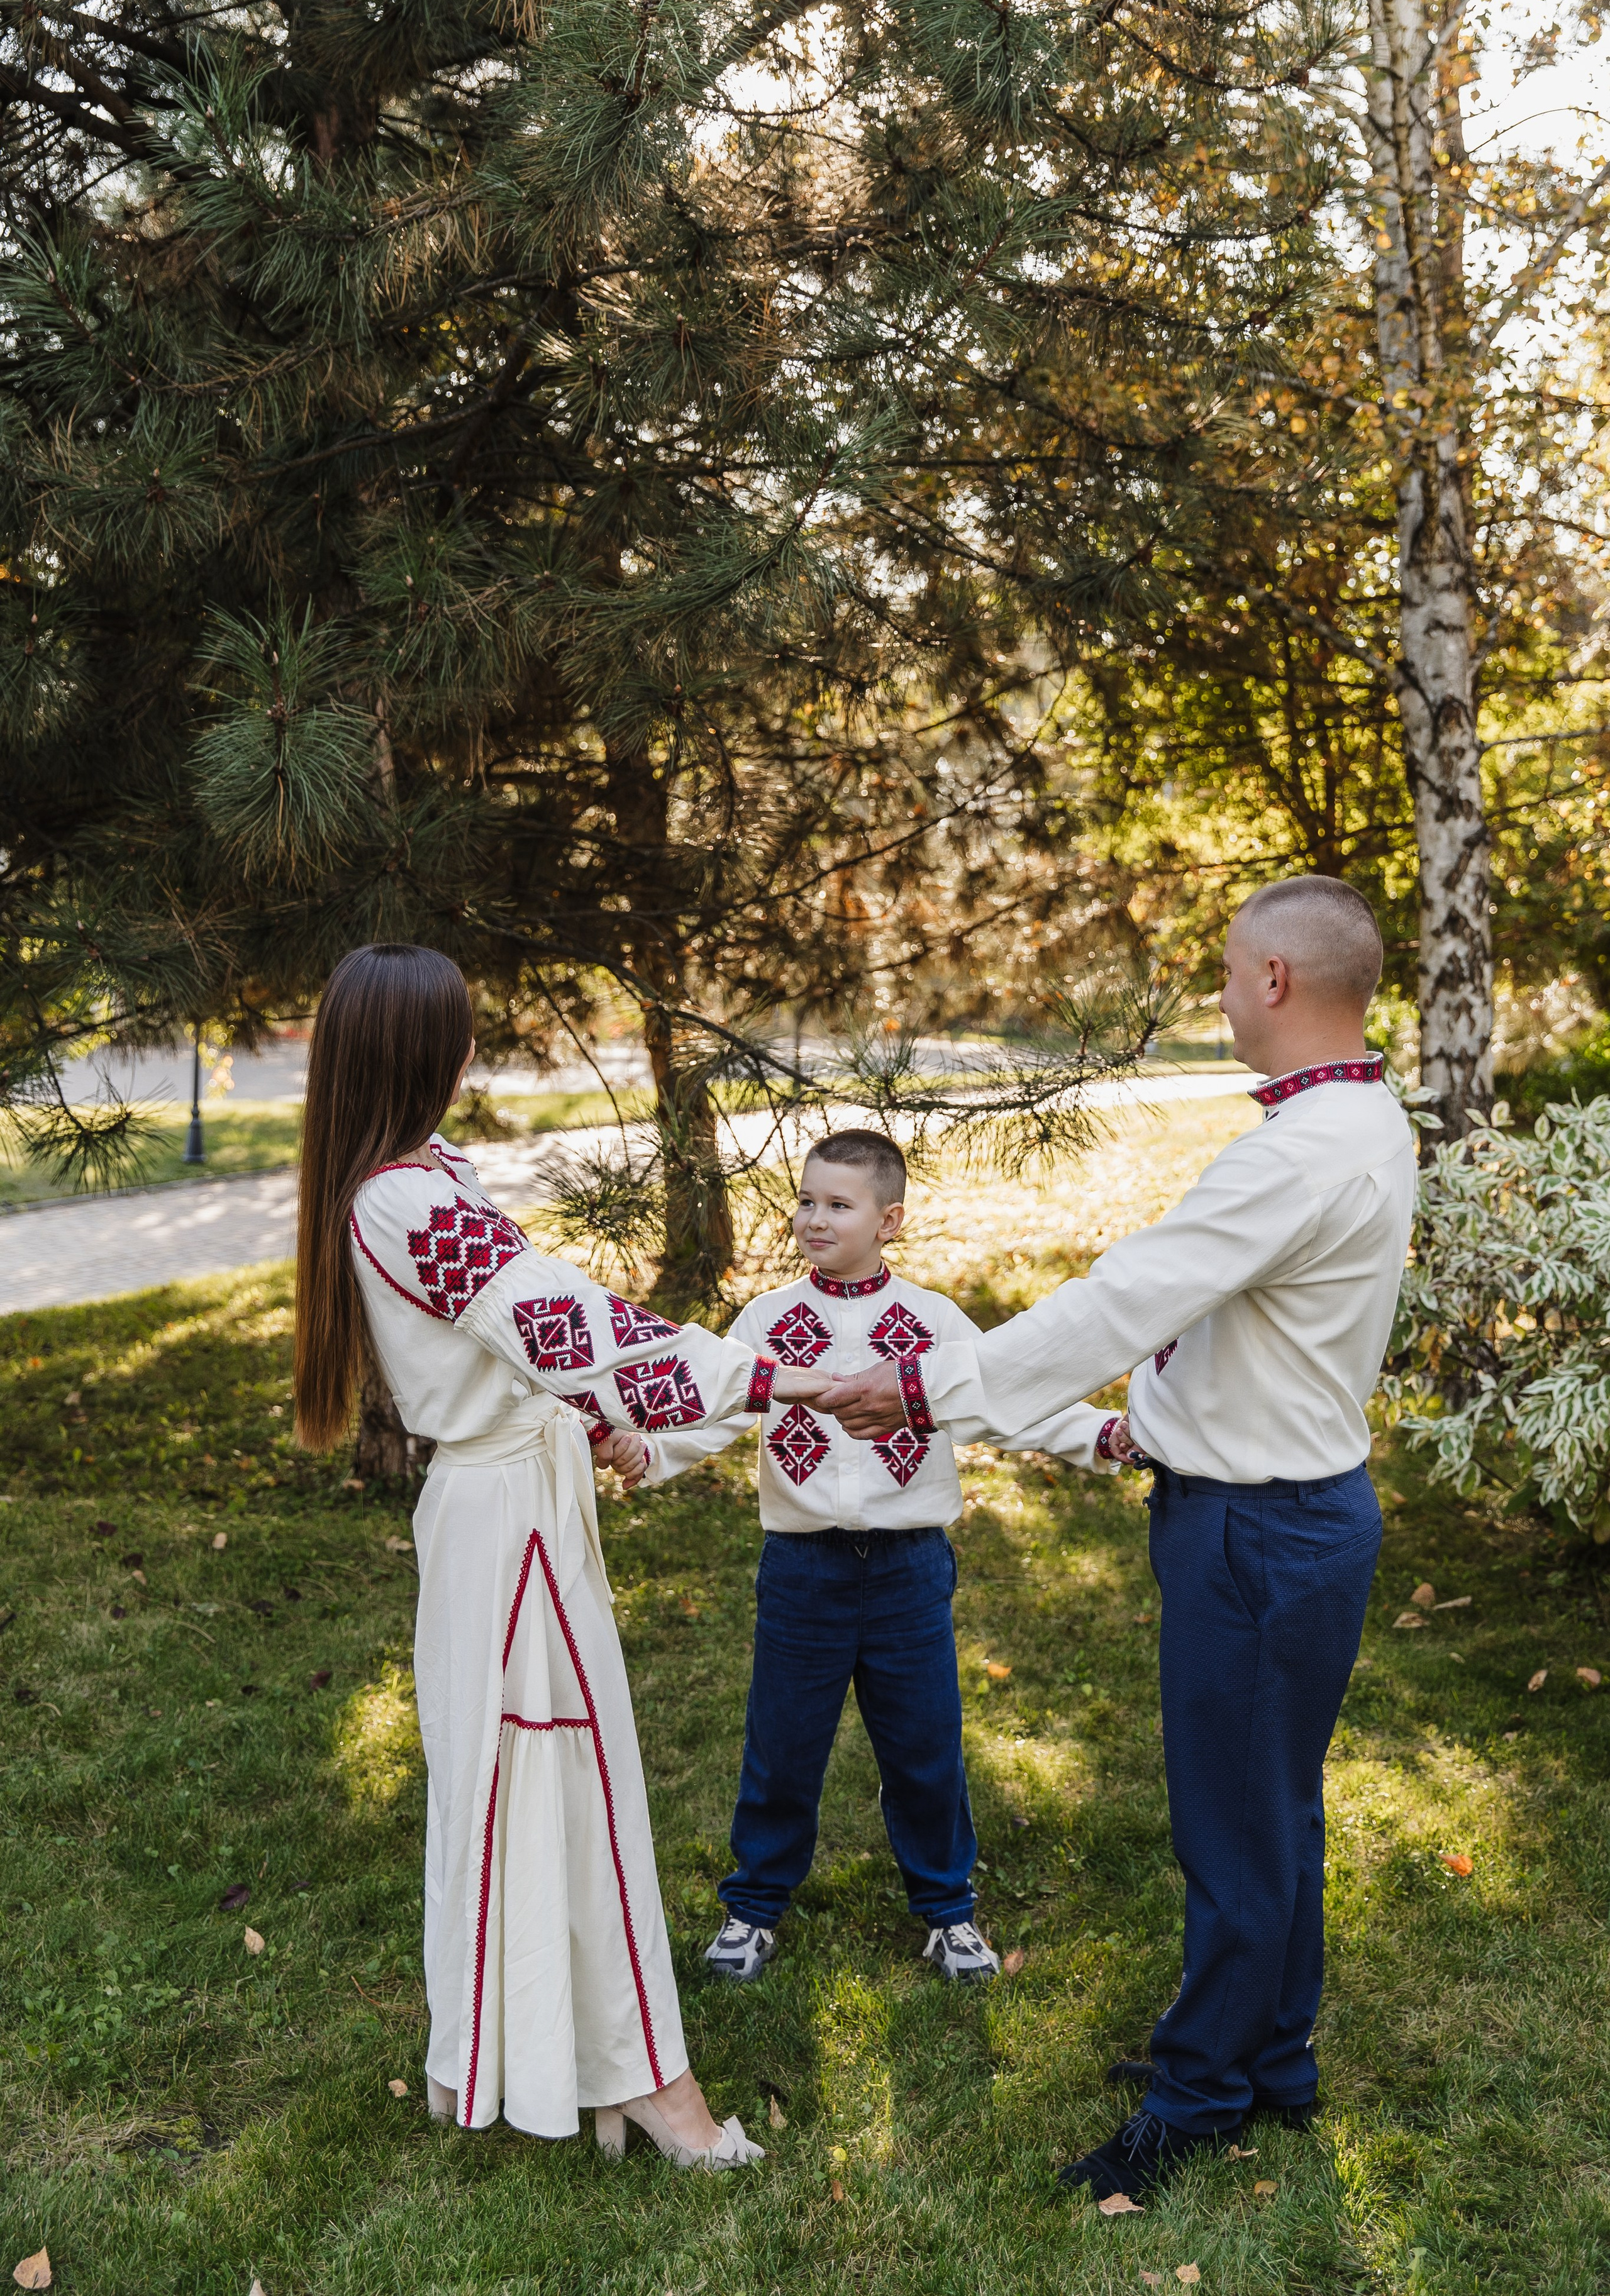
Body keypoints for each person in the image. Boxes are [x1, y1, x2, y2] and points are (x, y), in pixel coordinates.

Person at [809, 879, 1415, 2199]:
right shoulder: (1363, 1114)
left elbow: (1132, 1291)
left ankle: (1202, 2093)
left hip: (1253, 1533)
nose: (1215, 992)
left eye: (1222, 969)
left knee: (1232, 1826)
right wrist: (1147, 1413)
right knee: (1275, 1810)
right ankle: (1274, 2061)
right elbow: (1222, 1318)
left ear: (1270, 982)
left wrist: (925, 1385)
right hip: (1301, 1510)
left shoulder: (1302, 1146)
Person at [292, 943, 827, 2166]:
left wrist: (604, 1419)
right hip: (507, 1535)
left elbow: (523, 1348)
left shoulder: (420, 1179)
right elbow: (563, 1322)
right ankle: (649, 2086)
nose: (474, 1048)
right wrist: (780, 1377)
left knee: (526, 1785)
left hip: (510, 1510)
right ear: (426, 1055)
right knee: (562, 1788)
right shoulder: (405, 1200)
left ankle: (506, 2057)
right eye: (460, 1033)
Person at [609, 1128, 1129, 1988]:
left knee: (924, 1748)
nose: (815, 1218)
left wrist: (1100, 1437)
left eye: (838, 1205)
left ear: (890, 1220)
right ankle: (753, 1908)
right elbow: (715, 1411)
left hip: (908, 1570)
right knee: (782, 1747)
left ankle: (949, 1911)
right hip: (803, 1571)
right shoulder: (769, 1321)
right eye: (806, 1200)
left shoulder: (929, 1321)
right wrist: (650, 1451)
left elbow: (1008, 1402)